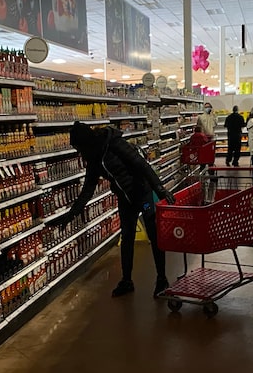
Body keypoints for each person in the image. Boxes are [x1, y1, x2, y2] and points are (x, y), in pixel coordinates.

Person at [48, 121, 175, 298]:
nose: (79, 152)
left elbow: (141, 165)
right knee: (127, 236)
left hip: (142, 192)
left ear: (86, 142)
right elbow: (87, 190)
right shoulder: (93, 160)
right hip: (125, 198)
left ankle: (162, 278)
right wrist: (71, 214)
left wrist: (159, 188)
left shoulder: (114, 144)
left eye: (78, 147)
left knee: (154, 235)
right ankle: (126, 281)